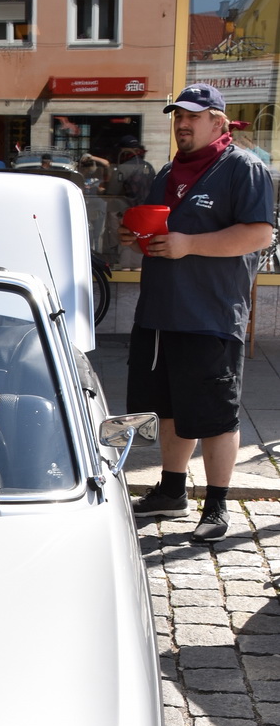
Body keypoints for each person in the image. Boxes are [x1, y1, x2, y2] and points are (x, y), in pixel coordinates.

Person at [124, 83, 275, 541]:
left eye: (193, 116)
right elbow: (162, 229)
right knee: (168, 410)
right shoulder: (169, 171)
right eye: (177, 117)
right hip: (159, 312)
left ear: (219, 122)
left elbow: (259, 235)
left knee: (213, 415)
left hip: (209, 315)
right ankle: (172, 491)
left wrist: (189, 244)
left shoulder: (243, 168)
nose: (183, 124)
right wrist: (141, 238)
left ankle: (216, 504)